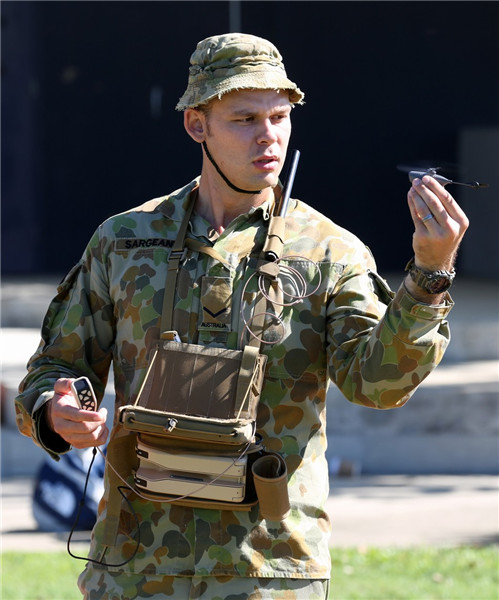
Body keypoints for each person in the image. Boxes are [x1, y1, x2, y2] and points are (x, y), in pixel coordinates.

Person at [15, 32, 468, 600]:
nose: (268, 135)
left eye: (281, 116)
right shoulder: (126, 242)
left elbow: (376, 384)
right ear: (196, 124)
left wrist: (429, 277)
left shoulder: (330, 251)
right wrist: (58, 412)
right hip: (134, 567)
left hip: (269, 572)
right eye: (245, 117)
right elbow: (52, 372)